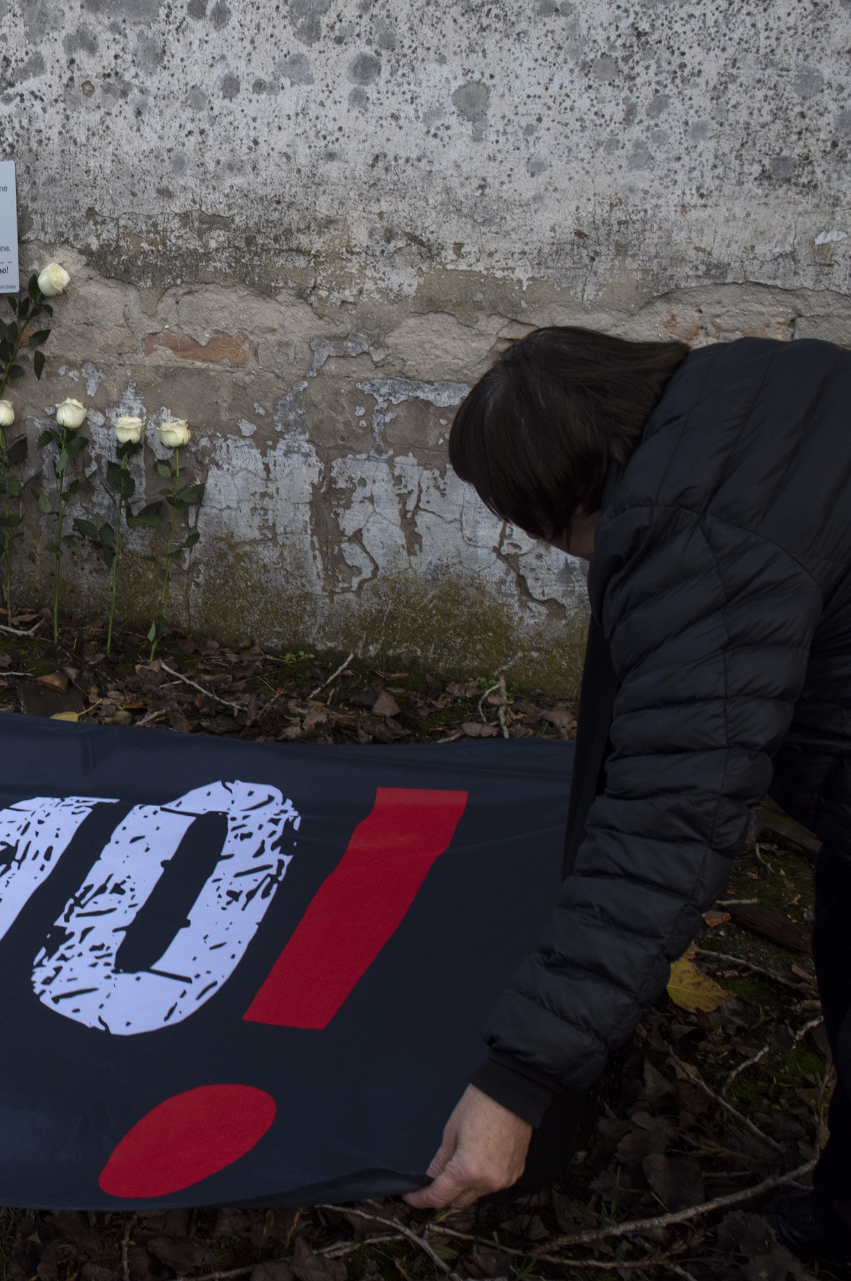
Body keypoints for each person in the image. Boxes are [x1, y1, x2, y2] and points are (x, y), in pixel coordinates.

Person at [416, 325, 851, 1262]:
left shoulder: (692, 541)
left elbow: (667, 827)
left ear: (560, 504)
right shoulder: (752, 383)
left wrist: (516, 1082)